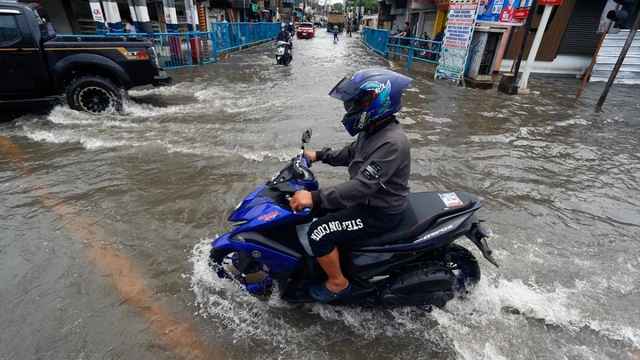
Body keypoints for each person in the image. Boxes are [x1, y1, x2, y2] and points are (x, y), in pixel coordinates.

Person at [289, 68, 413, 302]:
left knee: (319, 232)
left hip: (380, 212)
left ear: (375, 103)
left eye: (355, 104)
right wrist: (318, 155)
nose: (350, 109)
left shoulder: (392, 143)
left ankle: (338, 283)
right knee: (316, 211)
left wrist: (314, 196)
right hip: (368, 202)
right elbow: (351, 153)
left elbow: (361, 187)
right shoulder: (374, 130)